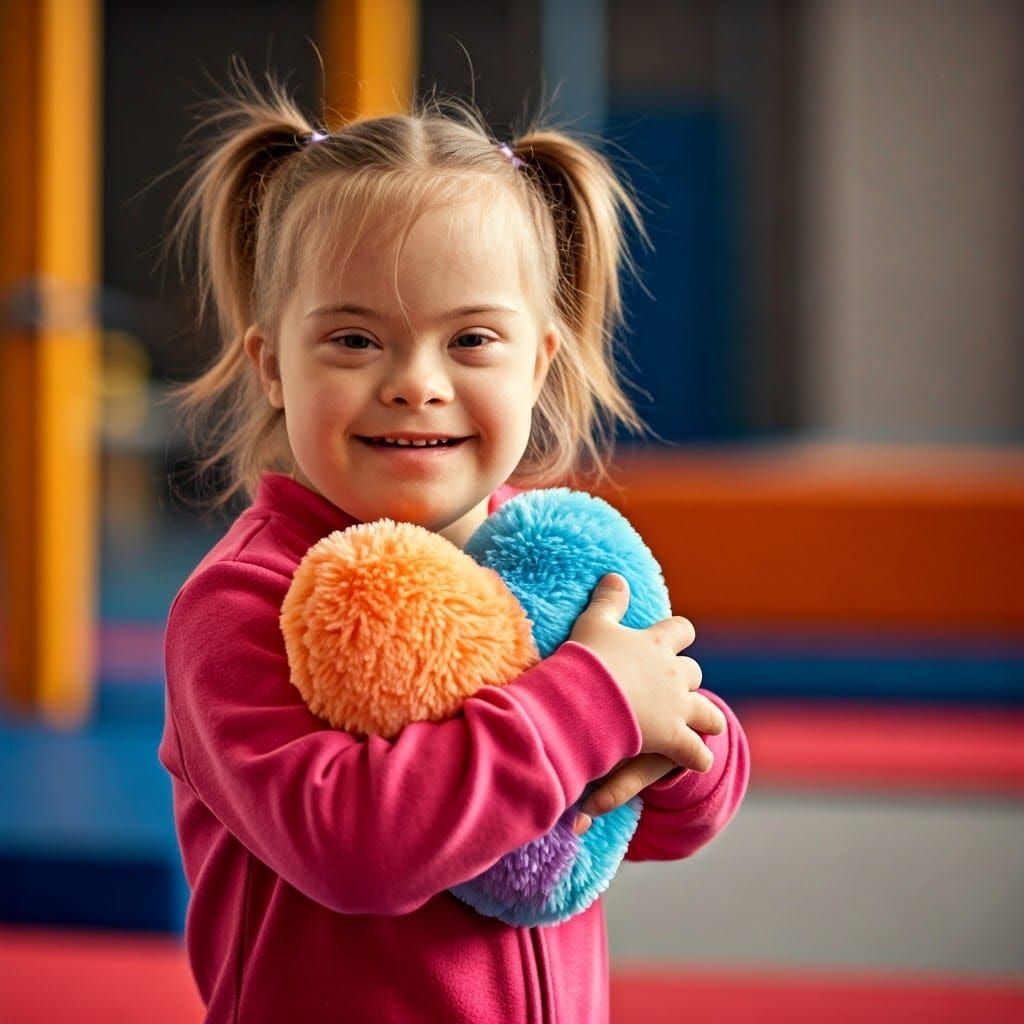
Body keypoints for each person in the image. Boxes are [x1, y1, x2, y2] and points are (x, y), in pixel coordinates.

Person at [159, 74, 750, 1024]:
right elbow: (352, 848)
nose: (414, 383)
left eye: (471, 338)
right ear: (273, 365)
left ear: (539, 362)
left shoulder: (557, 562)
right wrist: (591, 705)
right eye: (354, 340)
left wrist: (683, 748)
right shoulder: (241, 603)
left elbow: (665, 810)